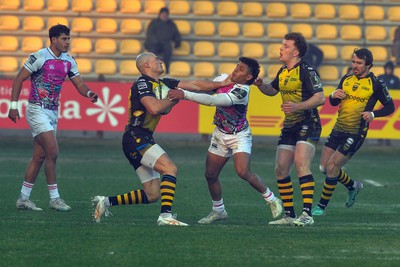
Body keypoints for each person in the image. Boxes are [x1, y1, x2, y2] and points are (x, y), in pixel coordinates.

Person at [92, 52, 232, 226]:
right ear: (147, 66)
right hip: (135, 137)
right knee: (170, 169)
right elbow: (153, 108)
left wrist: (223, 83)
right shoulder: (142, 83)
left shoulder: (164, 83)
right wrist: (175, 99)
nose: (160, 60)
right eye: (156, 59)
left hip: (141, 138)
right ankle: (165, 216)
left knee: (152, 194)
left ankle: (105, 202)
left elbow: (195, 85)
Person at [168, 57, 284, 224]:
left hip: (239, 135)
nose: (236, 69)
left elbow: (214, 100)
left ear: (249, 77)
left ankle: (272, 199)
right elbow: (202, 86)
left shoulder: (242, 91)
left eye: (242, 69)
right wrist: (175, 83)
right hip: (220, 134)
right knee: (210, 174)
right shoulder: (223, 78)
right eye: (237, 66)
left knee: (243, 171)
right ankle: (218, 210)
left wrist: (184, 94)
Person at [8, 24, 99, 212]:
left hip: (52, 111)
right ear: (54, 39)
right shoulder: (39, 57)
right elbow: (18, 79)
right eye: (64, 39)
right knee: (53, 151)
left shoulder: (69, 61)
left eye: (69, 38)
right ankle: (54, 199)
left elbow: (79, 84)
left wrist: (89, 93)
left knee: (40, 155)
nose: (68, 42)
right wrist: (13, 106)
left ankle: (23, 199)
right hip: (36, 109)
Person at [312, 48, 395, 216]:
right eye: (353, 62)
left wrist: (373, 114)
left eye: (359, 63)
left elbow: (390, 106)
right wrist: (334, 95)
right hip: (338, 129)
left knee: (332, 166)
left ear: (369, 65)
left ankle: (321, 207)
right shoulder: (347, 79)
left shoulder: (376, 84)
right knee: (323, 167)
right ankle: (352, 186)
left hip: (355, 133)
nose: (354, 66)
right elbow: (335, 102)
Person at [253, 32, 326, 226]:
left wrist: (297, 106)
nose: (281, 48)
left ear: (296, 51)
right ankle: (289, 215)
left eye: (285, 46)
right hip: (290, 126)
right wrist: (261, 85)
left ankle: (307, 214)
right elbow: (272, 90)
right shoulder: (283, 71)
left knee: (301, 163)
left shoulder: (307, 71)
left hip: (309, 123)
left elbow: (320, 98)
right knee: (281, 169)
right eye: (282, 45)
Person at [144, 7, 181, 74]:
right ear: (160, 14)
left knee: (168, 48)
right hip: (155, 43)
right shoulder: (154, 23)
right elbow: (150, 34)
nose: (164, 16)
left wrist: (177, 42)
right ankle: (152, 69)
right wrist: (156, 42)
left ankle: (166, 69)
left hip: (165, 43)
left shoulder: (171, 24)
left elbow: (176, 34)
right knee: (152, 51)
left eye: (165, 14)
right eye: (163, 14)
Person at [377, 61, 399, 146]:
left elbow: (398, 92)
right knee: (380, 120)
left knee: (389, 120)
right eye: (387, 68)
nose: (388, 70)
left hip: (391, 103)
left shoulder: (396, 79)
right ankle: (379, 139)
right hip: (380, 103)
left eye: (390, 69)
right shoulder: (380, 77)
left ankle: (388, 140)